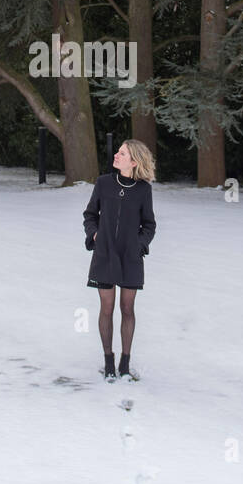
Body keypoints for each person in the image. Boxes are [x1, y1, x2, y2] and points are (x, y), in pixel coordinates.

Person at [83, 139, 157, 379]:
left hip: (130, 257)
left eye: (122, 153)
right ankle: (109, 362)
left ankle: (125, 364)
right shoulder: (104, 183)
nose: (116, 155)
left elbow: (149, 225)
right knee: (106, 307)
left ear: (133, 162)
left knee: (127, 308)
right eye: (118, 151)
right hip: (104, 254)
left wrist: (140, 245)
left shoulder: (144, 190)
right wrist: (93, 234)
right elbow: (90, 214)